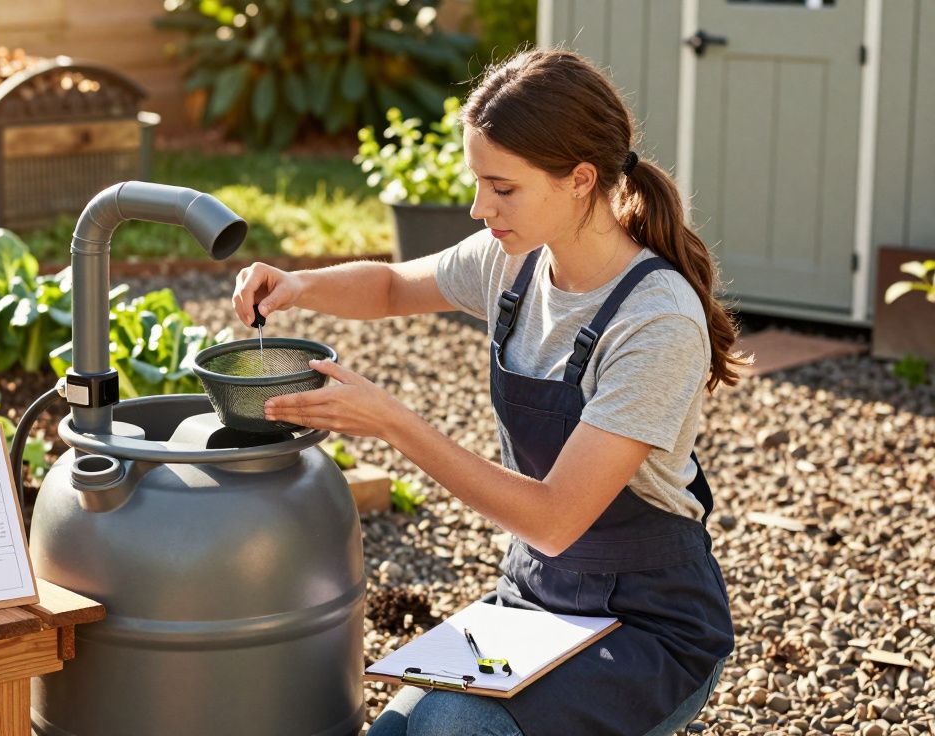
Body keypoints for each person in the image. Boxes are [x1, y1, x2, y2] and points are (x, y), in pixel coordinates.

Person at [230, 48, 742, 736]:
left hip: (649, 627)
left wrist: (393, 422)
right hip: (538, 602)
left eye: (502, 188)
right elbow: (390, 285)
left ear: (580, 180)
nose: (480, 208)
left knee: (452, 727)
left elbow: (556, 519)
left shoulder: (656, 322)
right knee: (395, 730)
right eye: (477, 182)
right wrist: (301, 284)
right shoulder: (515, 263)